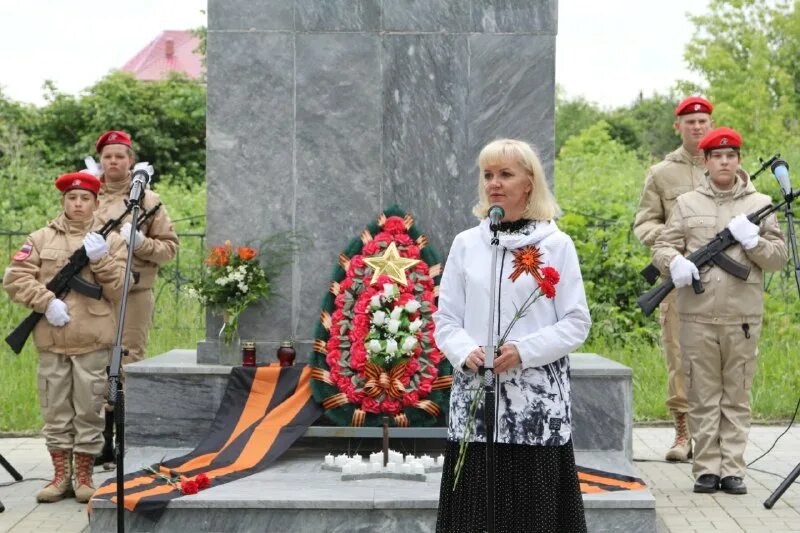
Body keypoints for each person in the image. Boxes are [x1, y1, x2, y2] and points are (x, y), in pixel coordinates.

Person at [434, 139, 592, 532]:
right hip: (475, 401)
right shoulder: (468, 244)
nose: (494, 184)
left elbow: (576, 322)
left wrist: (524, 350)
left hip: (533, 406)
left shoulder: (556, 245)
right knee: (473, 513)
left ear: (529, 184)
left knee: (530, 517)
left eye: (505, 174)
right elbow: (446, 320)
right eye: (488, 175)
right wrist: (465, 350)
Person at [652, 127, 787, 494]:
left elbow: (777, 259)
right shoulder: (687, 203)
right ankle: (706, 469)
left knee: (737, 397)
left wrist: (754, 241)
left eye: (731, 156)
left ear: (738, 160)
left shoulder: (759, 204)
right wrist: (676, 262)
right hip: (696, 317)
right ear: (706, 161)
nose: (724, 161)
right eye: (717, 156)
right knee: (702, 396)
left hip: (742, 318)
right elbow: (661, 247)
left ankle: (733, 470)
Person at [3, 172, 127, 503]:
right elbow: (15, 278)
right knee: (55, 409)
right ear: (63, 202)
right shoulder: (40, 238)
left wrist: (101, 260)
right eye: (72, 198)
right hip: (52, 339)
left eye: (85, 198)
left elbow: (119, 290)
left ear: (96, 203)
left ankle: (83, 476)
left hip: (93, 339)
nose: (78, 203)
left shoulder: (110, 240)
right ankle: (60, 477)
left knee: (88, 409)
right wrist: (47, 302)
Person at [633, 96, 714, 462]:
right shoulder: (661, 174)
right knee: (679, 355)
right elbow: (645, 223)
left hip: (721, 281)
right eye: (690, 121)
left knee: (718, 357)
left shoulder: (726, 166)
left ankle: (712, 437)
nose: (697, 126)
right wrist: (673, 246)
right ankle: (683, 434)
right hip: (678, 277)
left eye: (703, 120)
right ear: (677, 126)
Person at [92, 130, 179, 466]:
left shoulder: (148, 200)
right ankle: (97, 441)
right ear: (101, 160)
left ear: (131, 160)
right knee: (96, 363)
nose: (113, 161)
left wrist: (142, 244)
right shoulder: (87, 195)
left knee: (126, 362)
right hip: (95, 294)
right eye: (108, 156)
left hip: (135, 293)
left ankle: (122, 439)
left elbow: (170, 249)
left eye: (120, 155)